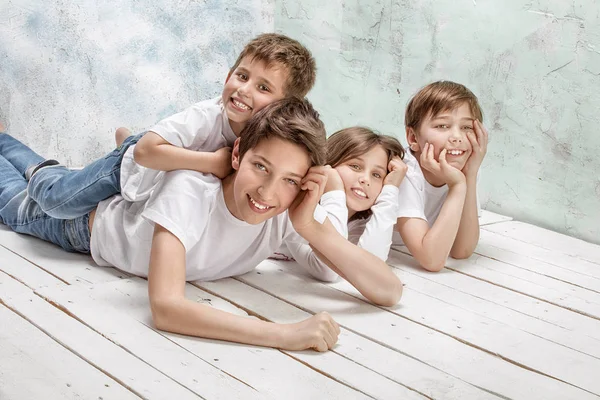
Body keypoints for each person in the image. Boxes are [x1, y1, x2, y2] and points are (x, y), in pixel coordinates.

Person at [0, 99, 403, 353]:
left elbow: (388, 291)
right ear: (237, 153)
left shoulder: (288, 207)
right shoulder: (191, 188)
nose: (268, 191)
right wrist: (283, 334)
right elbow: (167, 309)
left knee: (42, 172)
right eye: (261, 167)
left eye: (290, 179)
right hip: (81, 228)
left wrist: (312, 229)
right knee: (14, 199)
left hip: (109, 207)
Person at [24, 33, 317, 219]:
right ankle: (41, 170)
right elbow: (145, 152)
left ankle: (126, 137)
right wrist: (213, 162)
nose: (244, 90)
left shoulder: (274, 144)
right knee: (56, 204)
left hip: (157, 171)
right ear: (229, 75)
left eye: (263, 87)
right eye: (242, 77)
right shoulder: (206, 117)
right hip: (131, 164)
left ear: (285, 106)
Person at [390, 81, 488, 271]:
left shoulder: (464, 169)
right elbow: (432, 260)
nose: (457, 137)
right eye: (442, 126)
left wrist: (469, 175)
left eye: (467, 127)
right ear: (412, 138)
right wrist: (459, 186)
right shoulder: (404, 172)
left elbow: (462, 250)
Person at [273, 127, 407, 264]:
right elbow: (326, 271)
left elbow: (371, 268)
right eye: (355, 166)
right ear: (329, 164)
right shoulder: (300, 207)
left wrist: (391, 189)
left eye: (377, 175)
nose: (365, 179)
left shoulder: (359, 225)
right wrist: (334, 191)